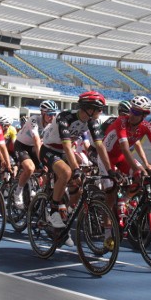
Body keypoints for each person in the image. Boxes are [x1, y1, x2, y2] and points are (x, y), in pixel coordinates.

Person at [40, 90, 116, 229]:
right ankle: (53, 211)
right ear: (89, 109)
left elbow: (100, 147)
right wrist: (75, 169)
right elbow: (68, 146)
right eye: (99, 109)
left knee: (79, 186)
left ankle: (66, 213)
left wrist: (110, 170)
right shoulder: (64, 118)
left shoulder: (92, 122)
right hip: (49, 149)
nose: (101, 111)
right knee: (67, 172)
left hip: (64, 151)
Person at [11, 100, 57, 208]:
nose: (52, 117)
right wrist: (41, 161)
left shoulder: (52, 124)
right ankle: (18, 192)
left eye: (54, 114)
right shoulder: (34, 120)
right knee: (30, 168)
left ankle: (37, 190)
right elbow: (36, 141)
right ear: (43, 113)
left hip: (34, 147)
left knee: (48, 170)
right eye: (50, 114)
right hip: (22, 145)